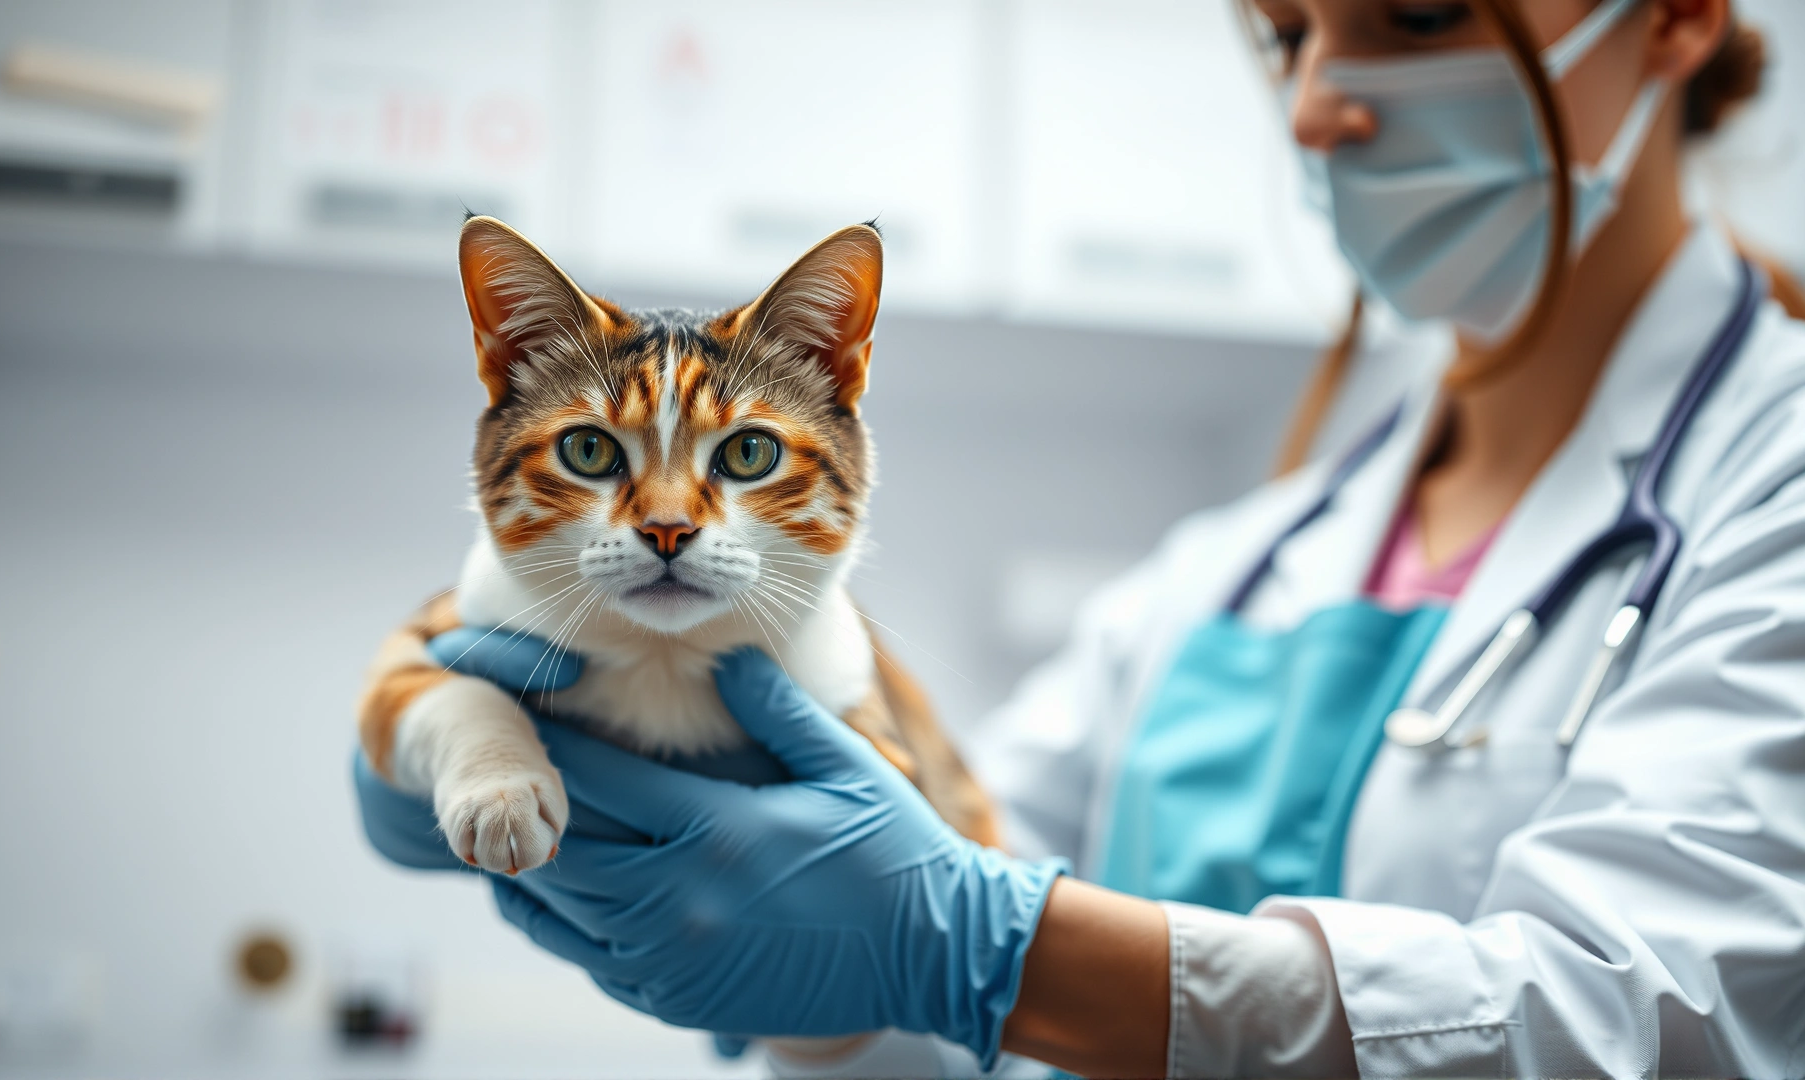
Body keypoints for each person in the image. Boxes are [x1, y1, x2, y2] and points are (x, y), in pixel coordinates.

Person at [355, 0, 1805, 1075]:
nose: (1311, 105)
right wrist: (826, 989)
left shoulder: (1774, 478)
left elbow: (1661, 1018)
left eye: (1413, 12)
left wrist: (986, 953)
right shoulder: (1230, 567)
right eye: (1288, 31)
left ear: (1679, 16)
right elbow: (929, 924)